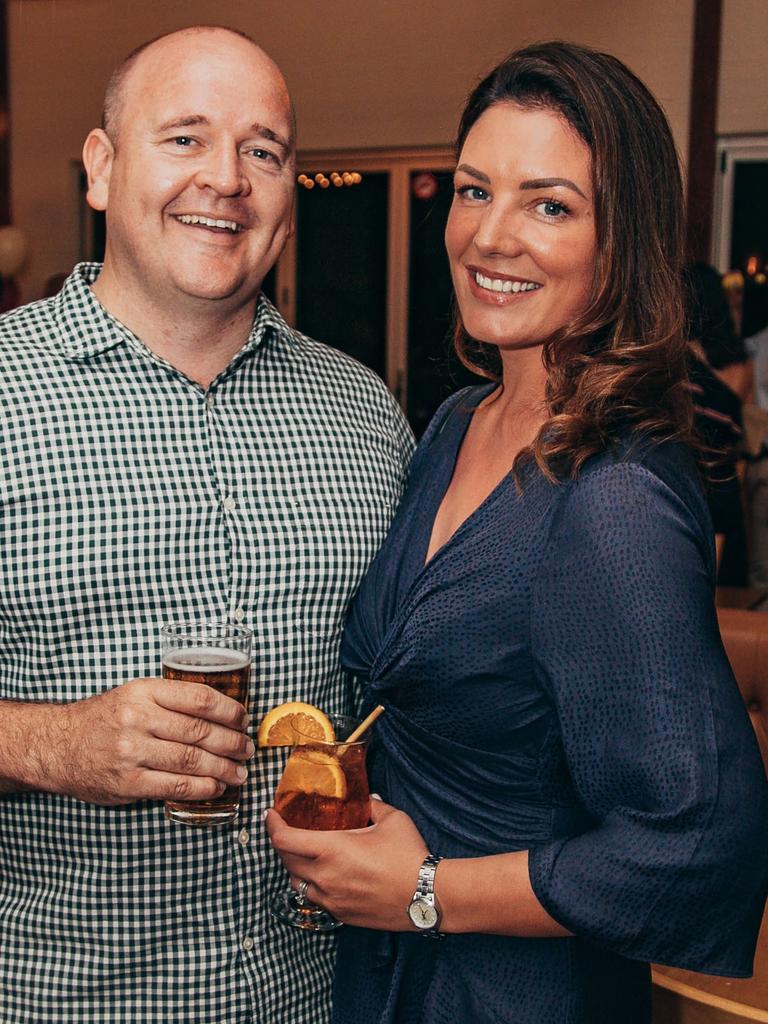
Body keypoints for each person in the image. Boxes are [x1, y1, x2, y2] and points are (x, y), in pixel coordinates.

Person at [268, 41, 768, 1024]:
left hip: (511, 991)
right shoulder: (459, 420)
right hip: (387, 973)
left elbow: (702, 839)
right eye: (470, 190)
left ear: (621, 240)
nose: (489, 235)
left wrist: (424, 892)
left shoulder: (611, 492)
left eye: (549, 204)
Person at [0, 25, 413, 1024]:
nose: (226, 178)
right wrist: (48, 744)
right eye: (183, 138)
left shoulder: (367, 418)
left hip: (322, 999)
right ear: (101, 169)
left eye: (262, 150)